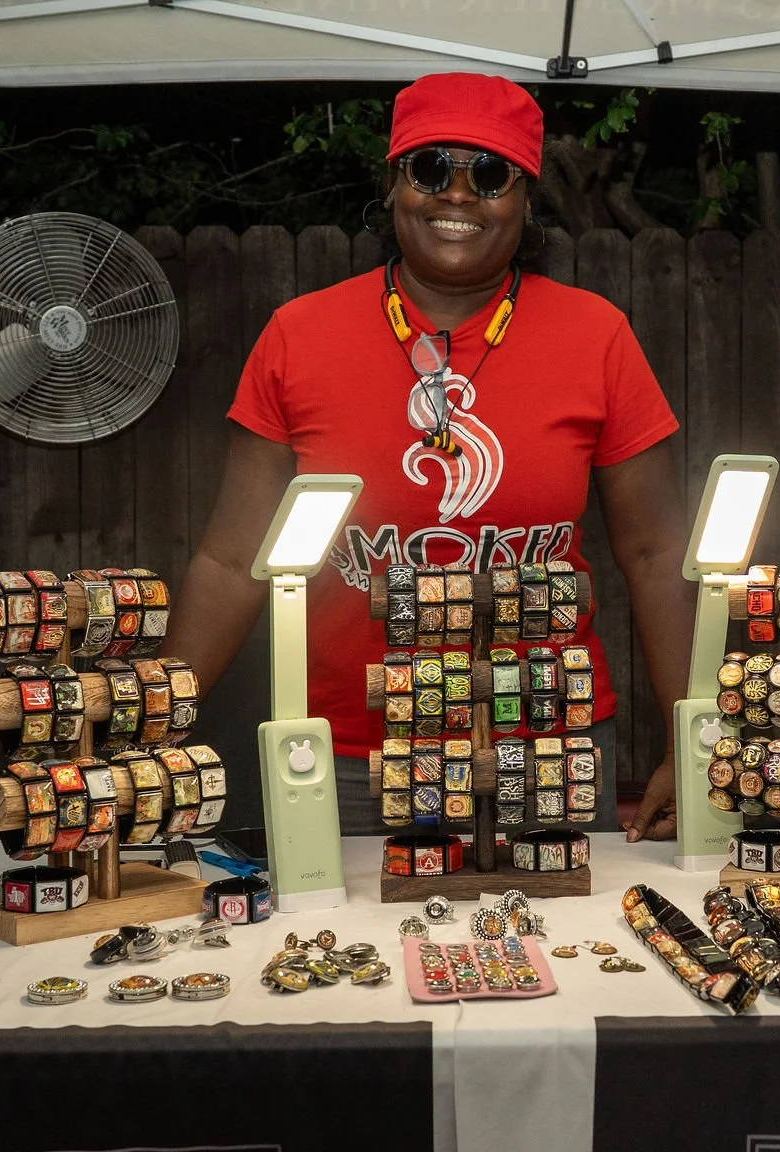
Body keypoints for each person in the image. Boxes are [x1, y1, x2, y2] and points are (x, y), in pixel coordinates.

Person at [168, 73, 689, 842]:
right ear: (391, 186)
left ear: (526, 199)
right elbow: (228, 558)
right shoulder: (299, 336)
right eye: (430, 168)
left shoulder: (596, 335)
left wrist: (693, 735)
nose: (458, 195)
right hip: (346, 756)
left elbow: (655, 551)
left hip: (544, 742)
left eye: (488, 174)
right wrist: (154, 725)